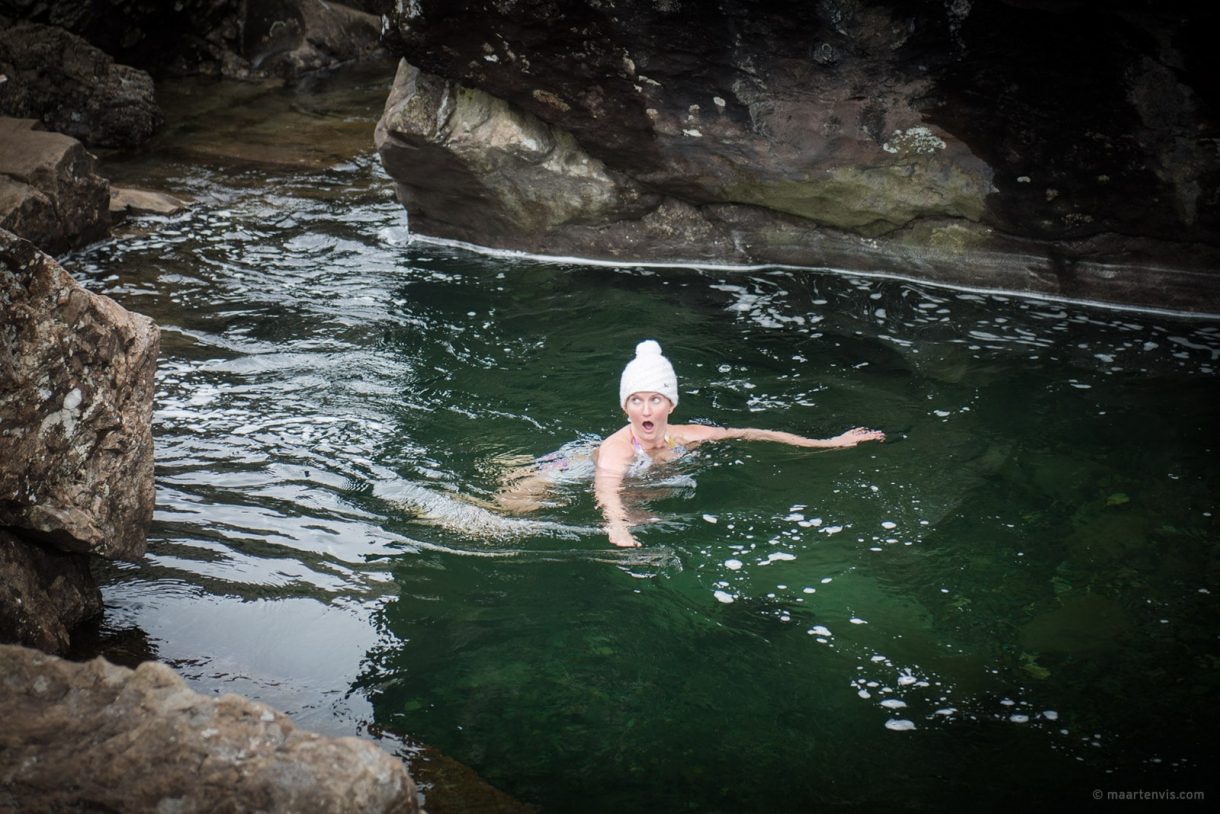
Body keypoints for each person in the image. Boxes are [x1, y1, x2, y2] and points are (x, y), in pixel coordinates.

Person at [493, 340, 884, 547]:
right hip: (572, 467)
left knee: (649, 506)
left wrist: (827, 443)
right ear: (626, 406)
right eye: (636, 400)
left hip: (632, 476)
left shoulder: (688, 435)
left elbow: (751, 432)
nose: (645, 407)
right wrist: (615, 527)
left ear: (670, 404)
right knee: (509, 511)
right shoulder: (618, 448)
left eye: (655, 399)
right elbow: (605, 488)